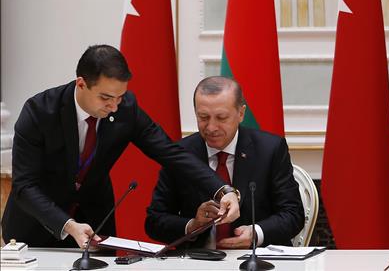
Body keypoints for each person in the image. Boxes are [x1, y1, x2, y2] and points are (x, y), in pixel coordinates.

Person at [0, 45, 241, 248]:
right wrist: (68, 225)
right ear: (81, 84)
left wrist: (222, 190)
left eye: (120, 97)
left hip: (95, 226)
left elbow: (171, 153)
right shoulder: (40, 112)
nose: (114, 106)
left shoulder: (125, 109)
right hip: (37, 225)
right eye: (106, 98)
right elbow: (25, 185)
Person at [145, 76, 304, 249]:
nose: (211, 127)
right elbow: (154, 221)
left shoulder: (270, 149)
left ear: (241, 113)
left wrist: (256, 233)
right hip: (197, 260)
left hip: (256, 258)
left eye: (221, 118)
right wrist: (192, 225)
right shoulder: (180, 153)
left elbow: (293, 215)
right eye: (203, 117)